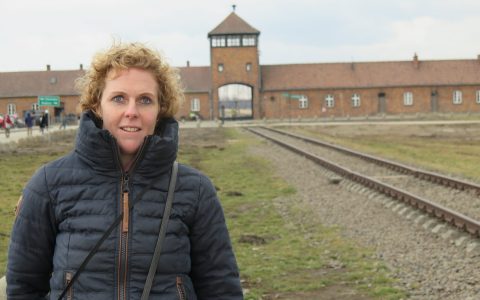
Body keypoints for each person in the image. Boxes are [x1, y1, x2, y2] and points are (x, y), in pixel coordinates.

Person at [7, 42, 243, 299]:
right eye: (119, 98)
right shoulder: (48, 185)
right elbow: (24, 287)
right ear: (97, 105)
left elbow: (221, 288)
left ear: (159, 109)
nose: (132, 112)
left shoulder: (195, 190)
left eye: (145, 100)